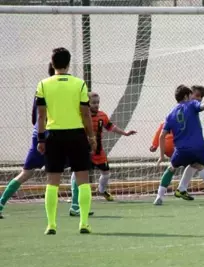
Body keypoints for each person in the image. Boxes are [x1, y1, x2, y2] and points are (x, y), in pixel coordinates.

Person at [36, 47, 95, 234]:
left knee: (52, 182)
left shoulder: (43, 85)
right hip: (76, 135)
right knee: (83, 180)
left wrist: (41, 139)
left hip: (54, 135)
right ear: (69, 63)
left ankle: (51, 224)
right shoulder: (79, 84)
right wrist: (91, 137)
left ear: (52, 63)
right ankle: (84, 223)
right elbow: (86, 114)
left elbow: (41, 116)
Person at [0, 64, 61, 218]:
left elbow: (35, 117)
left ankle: (1, 203)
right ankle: (74, 207)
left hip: (38, 134)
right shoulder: (61, 89)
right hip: (54, 135)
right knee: (78, 169)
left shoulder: (40, 88)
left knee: (25, 173)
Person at [68, 91, 137, 213]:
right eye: (93, 102)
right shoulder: (81, 116)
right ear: (87, 103)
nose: (96, 105)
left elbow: (111, 127)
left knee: (106, 173)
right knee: (77, 173)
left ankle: (101, 190)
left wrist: (125, 133)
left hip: (98, 152)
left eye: (97, 102)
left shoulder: (102, 116)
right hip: (84, 151)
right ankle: (74, 196)